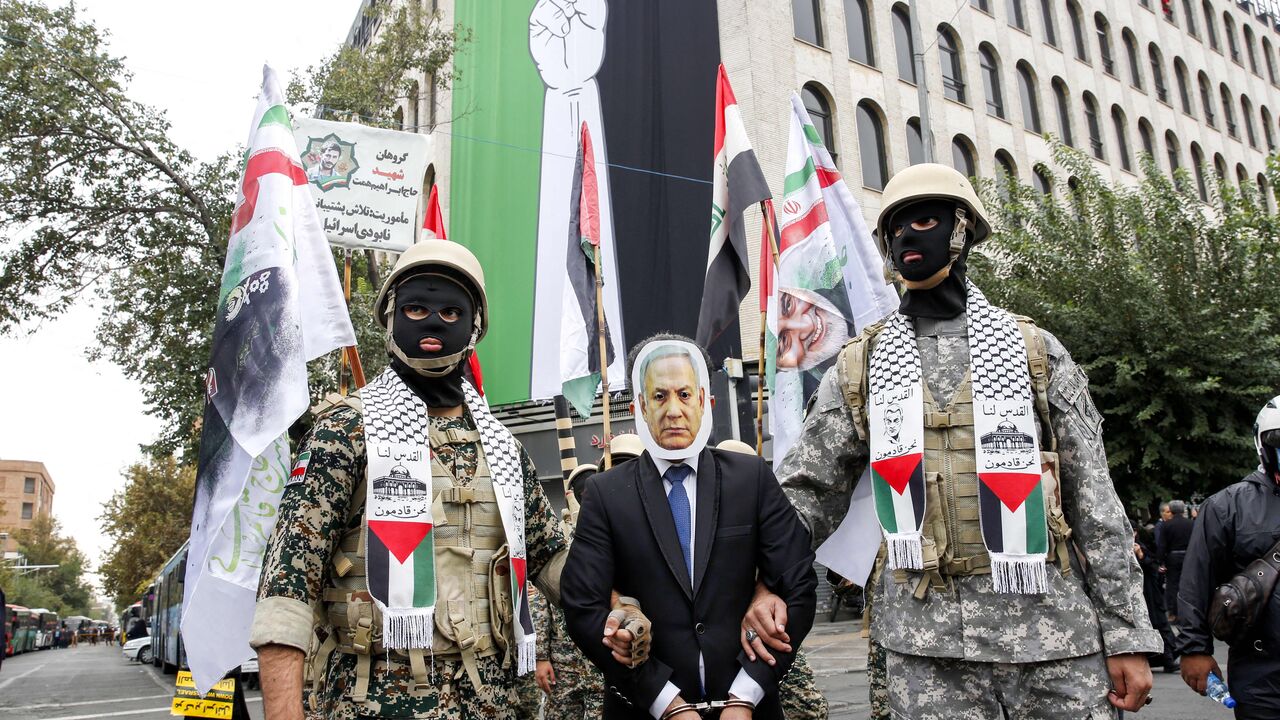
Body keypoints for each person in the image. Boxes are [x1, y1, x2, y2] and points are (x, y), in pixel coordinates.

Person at [751, 163, 1159, 719]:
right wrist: (758, 579)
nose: (908, 239)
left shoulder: (1035, 351)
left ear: (962, 229)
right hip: (927, 654)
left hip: (1051, 642)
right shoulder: (861, 366)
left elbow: (1095, 502)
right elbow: (805, 493)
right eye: (894, 230)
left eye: (925, 220)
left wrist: (1128, 633)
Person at [250, 240, 648, 720]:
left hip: (493, 703)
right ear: (391, 317)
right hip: (370, 702)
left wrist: (618, 607)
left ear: (475, 326)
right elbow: (287, 586)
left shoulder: (503, 447)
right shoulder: (344, 431)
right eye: (416, 307)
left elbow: (555, 559)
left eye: (451, 311)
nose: (434, 322)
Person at [563, 334, 817, 719]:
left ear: (704, 400)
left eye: (684, 394)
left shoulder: (751, 480)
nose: (674, 411)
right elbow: (583, 607)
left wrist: (746, 695)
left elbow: (798, 584)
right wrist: (665, 702)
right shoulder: (606, 494)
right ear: (642, 407)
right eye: (660, 396)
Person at [1176, 396, 1280, 719]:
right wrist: (1195, 649)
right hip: (1262, 674)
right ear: (1263, 445)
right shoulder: (1227, 507)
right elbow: (1197, 579)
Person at [715, 439, 829, 720]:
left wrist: (764, 589)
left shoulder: (765, 511)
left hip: (764, 639)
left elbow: (789, 569)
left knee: (807, 708)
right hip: (725, 650)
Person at [533, 463, 606, 720]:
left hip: (601, 663)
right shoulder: (558, 539)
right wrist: (541, 657)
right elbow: (542, 602)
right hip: (564, 665)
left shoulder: (610, 533)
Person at [1133, 528, 1179, 672]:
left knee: (1160, 625)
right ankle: (1166, 659)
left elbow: (1153, 566)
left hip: (1151, 593)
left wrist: (1141, 554)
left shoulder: (1141, 546)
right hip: (1141, 595)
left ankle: (1168, 658)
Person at [1157, 500, 1193, 624]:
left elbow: (1162, 545)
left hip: (1172, 557)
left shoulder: (1166, 525)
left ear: (1171, 511)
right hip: (1188, 557)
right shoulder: (1191, 524)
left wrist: (1160, 561)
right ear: (1183, 510)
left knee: (1172, 585)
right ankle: (1190, 611)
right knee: (1189, 584)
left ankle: (1173, 613)